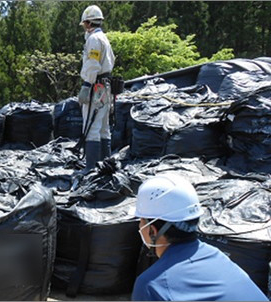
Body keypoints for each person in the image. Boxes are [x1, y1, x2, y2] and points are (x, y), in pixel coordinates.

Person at [132, 174, 268, 301]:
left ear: (152, 230)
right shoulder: (218, 256)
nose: (139, 225)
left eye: (141, 220)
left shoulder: (152, 284)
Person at [78, 5, 115, 174]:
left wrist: (87, 85)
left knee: (91, 126)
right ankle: (105, 165)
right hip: (106, 86)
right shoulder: (103, 38)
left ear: (88, 22)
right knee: (103, 127)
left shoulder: (93, 40)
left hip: (95, 86)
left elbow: (92, 65)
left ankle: (91, 167)